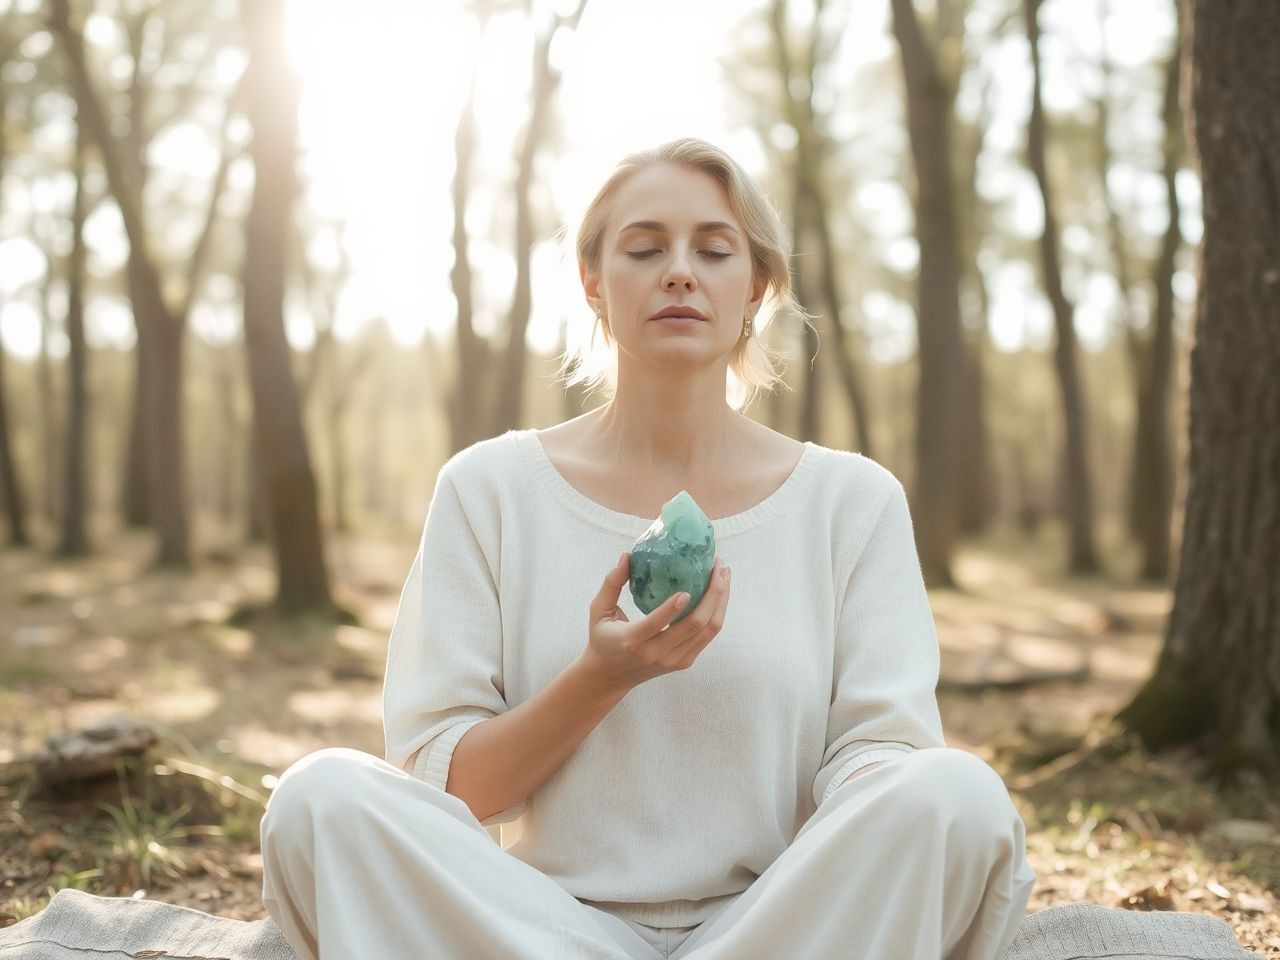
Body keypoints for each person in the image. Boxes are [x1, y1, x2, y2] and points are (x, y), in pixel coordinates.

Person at [259, 137, 1036, 960]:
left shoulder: (853, 503)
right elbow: (450, 793)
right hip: (541, 929)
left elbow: (883, 761)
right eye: (644, 248)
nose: (679, 271)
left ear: (756, 288)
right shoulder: (489, 490)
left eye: (712, 249)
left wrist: (880, 816)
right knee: (321, 800)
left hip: (776, 925)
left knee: (961, 795)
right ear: (594, 283)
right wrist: (602, 679)